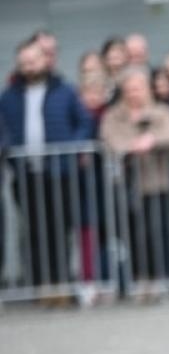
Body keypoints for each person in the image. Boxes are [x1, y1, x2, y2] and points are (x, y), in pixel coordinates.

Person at [0, 39, 97, 290]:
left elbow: (84, 123)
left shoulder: (65, 91)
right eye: (24, 63)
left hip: (59, 173)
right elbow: (4, 131)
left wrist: (71, 149)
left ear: (45, 60)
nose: (29, 67)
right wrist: (9, 151)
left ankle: (61, 283)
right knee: (33, 231)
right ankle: (40, 284)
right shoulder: (9, 97)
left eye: (33, 61)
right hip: (26, 174)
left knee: (59, 229)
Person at [99, 69, 169, 289]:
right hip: (127, 183)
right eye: (129, 90)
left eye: (138, 88)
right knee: (133, 235)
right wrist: (132, 146)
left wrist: (152, 139)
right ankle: (138, 279)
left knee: (158, 233)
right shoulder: (114, 115)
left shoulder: (161, 111)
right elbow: (110, 138)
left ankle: (161, 279)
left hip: (157, 183)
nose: (133, 94)